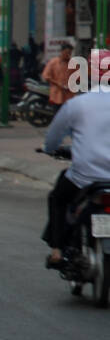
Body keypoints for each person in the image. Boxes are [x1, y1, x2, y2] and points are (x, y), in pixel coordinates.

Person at [41, 56, 110, 266]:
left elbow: (52, 139)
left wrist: (51, 150)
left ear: (90, 74)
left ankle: (57, 250)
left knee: (58, 199)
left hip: (84, 178)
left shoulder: (77, 104)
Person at [41, 38, 77, 112]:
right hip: (57, 95)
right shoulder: (53, 62)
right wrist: (58, 84)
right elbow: (46, 76)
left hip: (69, 95)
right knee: (57, 115)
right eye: (67, 52)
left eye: (70, 53)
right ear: (62, 52)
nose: (68, 55)